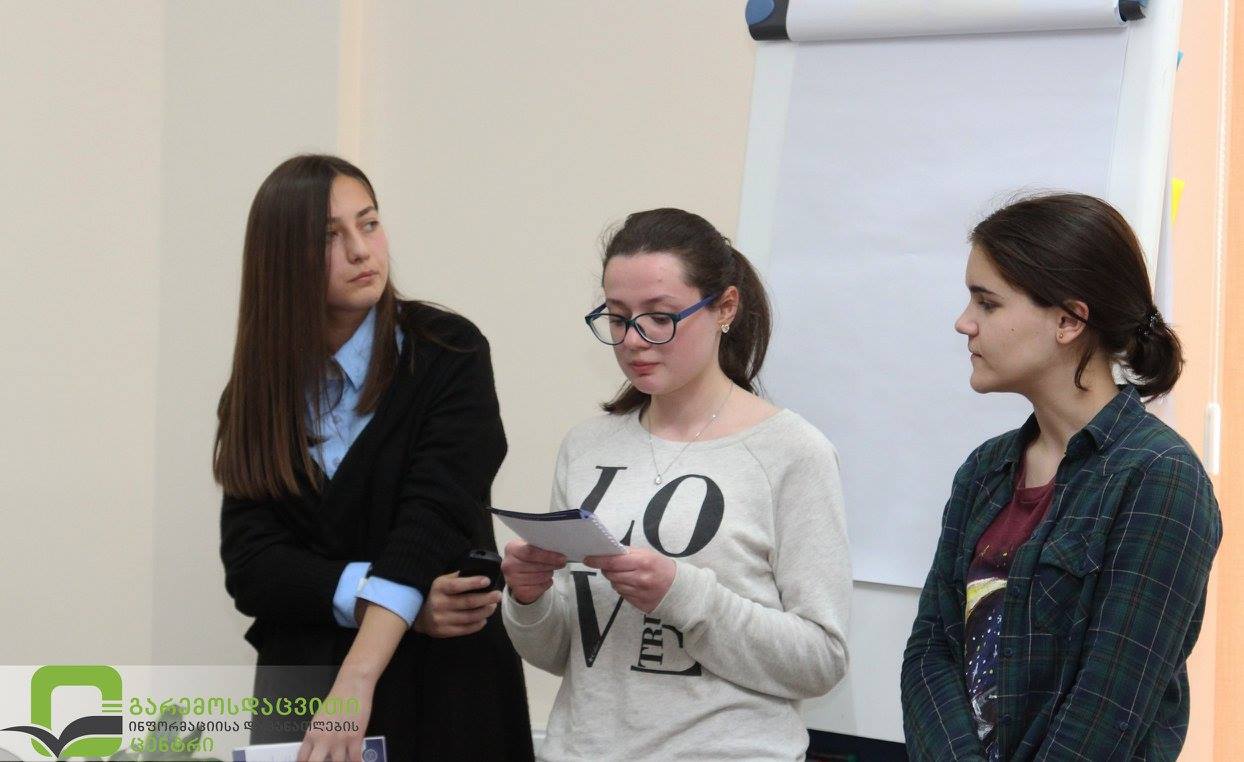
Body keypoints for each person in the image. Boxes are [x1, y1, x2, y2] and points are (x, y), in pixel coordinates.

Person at [500, 208, 851, 760]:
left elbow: (820, 660)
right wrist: (529, 597)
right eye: (618, 318)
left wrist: (683, 596)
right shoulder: (586, 447)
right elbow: (563, 652)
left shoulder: (792, 452)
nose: (633, 340)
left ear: (725, 308)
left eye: (659, 317)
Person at [215, 154, 533, 761]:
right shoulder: (255, 394)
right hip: (302, 688)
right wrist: (393, 603)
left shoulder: (448, 352)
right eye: (329, 236)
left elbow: (431, 519)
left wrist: (357, 677)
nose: (361, 251)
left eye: (369, 223)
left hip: (444, 690)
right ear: (281, 259)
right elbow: (253, 566)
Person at [901, 193, 1221, 761]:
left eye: (987, 303)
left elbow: (1109, 707)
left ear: (1069, 321)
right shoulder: (984, 471)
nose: (964, 322)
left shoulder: (1159, 477)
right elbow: (930, 652)